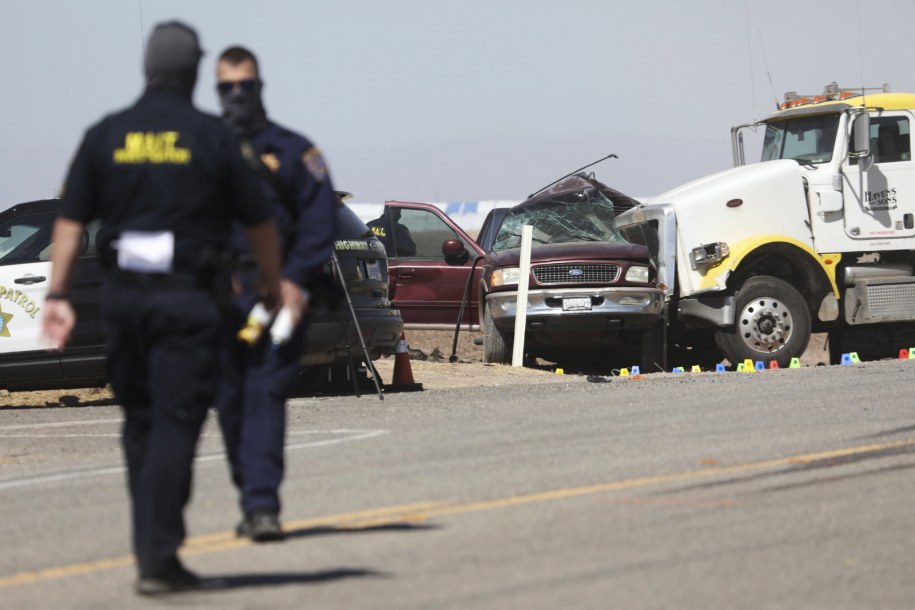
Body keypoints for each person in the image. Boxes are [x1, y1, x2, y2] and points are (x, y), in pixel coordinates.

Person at [42, 22, 283, 595]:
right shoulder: (212, 137)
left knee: (141, 423)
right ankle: (158, 555)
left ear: (148, 67)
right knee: (176, 422)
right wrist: (271, 281)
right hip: (187, 300)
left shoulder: (106, 134)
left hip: (123, 301)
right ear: (194, 70)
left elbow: (70, 221)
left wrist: (57, 295)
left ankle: (154, 546)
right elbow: (260, 221)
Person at [213, 46, 338, 541]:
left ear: (261, 87)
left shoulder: (292, 151)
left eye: (247, 86)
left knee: (264, 392)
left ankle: (263, 505)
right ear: (217, 90)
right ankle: (250, 495)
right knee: (228, 400)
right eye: (228, 87)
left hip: (279, 293)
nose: (238, 95)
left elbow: (318, 219)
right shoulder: (206, 149)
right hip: (220, 296)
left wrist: (295, 277)